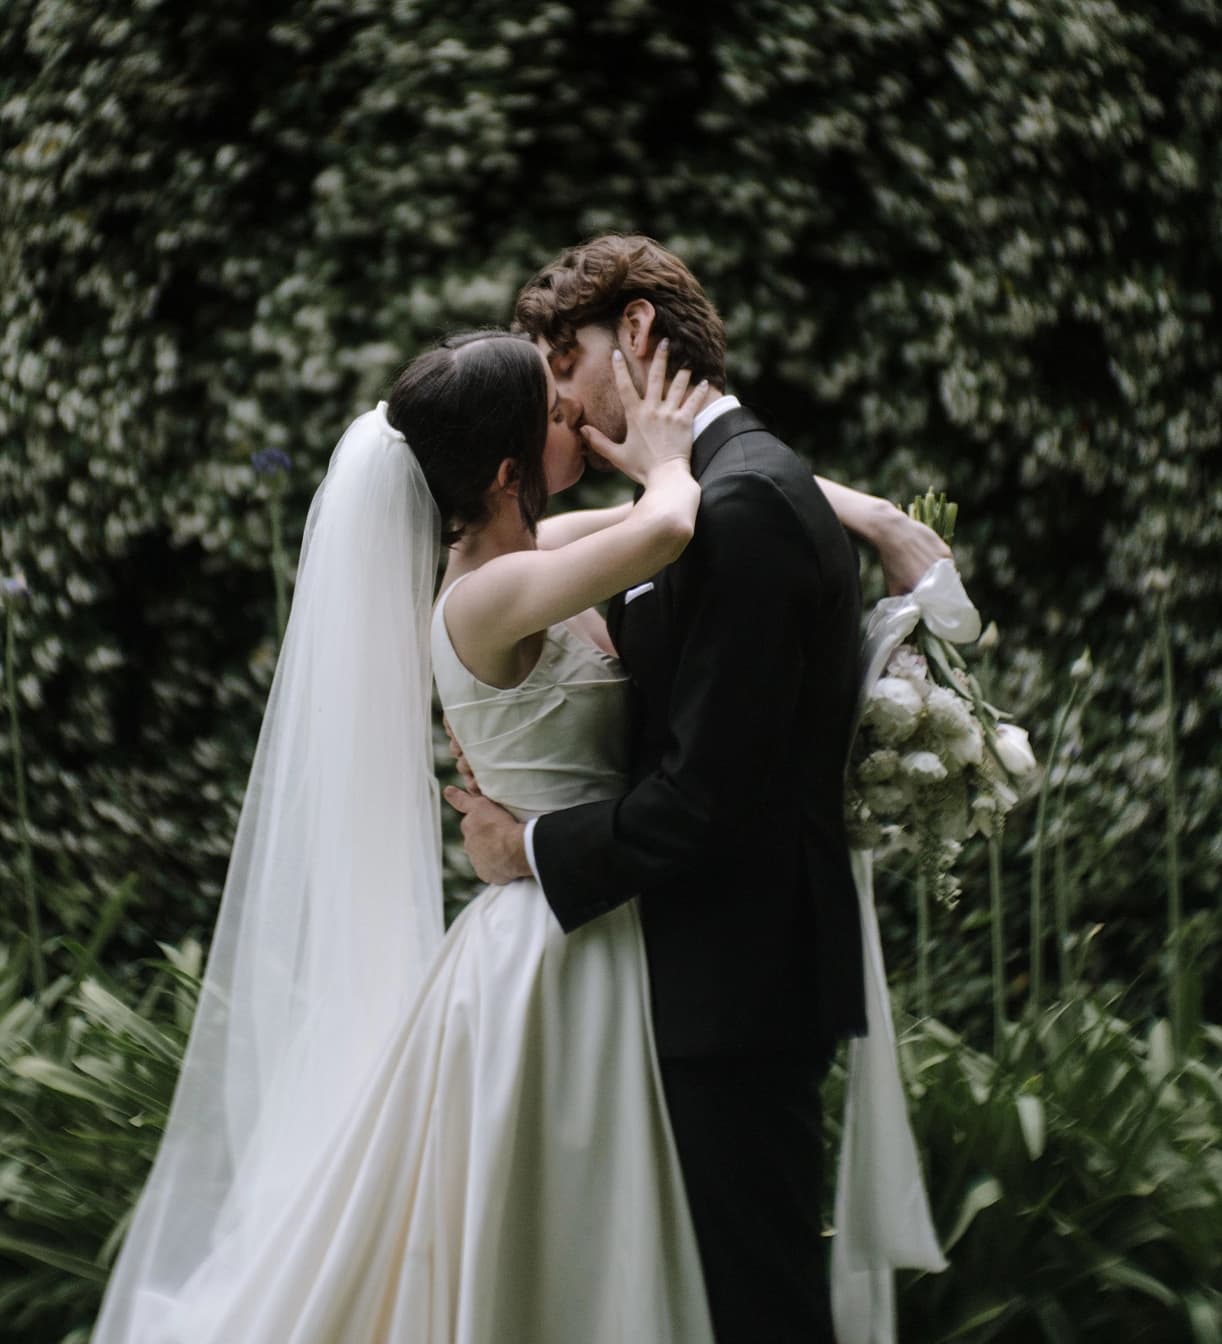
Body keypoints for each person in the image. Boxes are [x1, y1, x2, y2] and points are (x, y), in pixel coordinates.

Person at [91, 319, 941, 1342]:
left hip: (601, 915)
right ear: (505, 467)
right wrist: (669, 451)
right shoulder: (486, 595)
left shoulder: (536, 548)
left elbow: (710, 499)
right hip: (549, 950)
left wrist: (873, 518)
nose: (575, 415)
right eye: (552, 413)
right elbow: (669, 525)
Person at [447, 234, 948, 1344]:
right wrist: (872, 511)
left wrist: (522, 846)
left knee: (754, 1302)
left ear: (632, 332)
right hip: (689, 976)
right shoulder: (717, 490)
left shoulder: (739, 505)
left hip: (732, 984)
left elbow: (703, 796)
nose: (563, 408)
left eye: (562, 366)